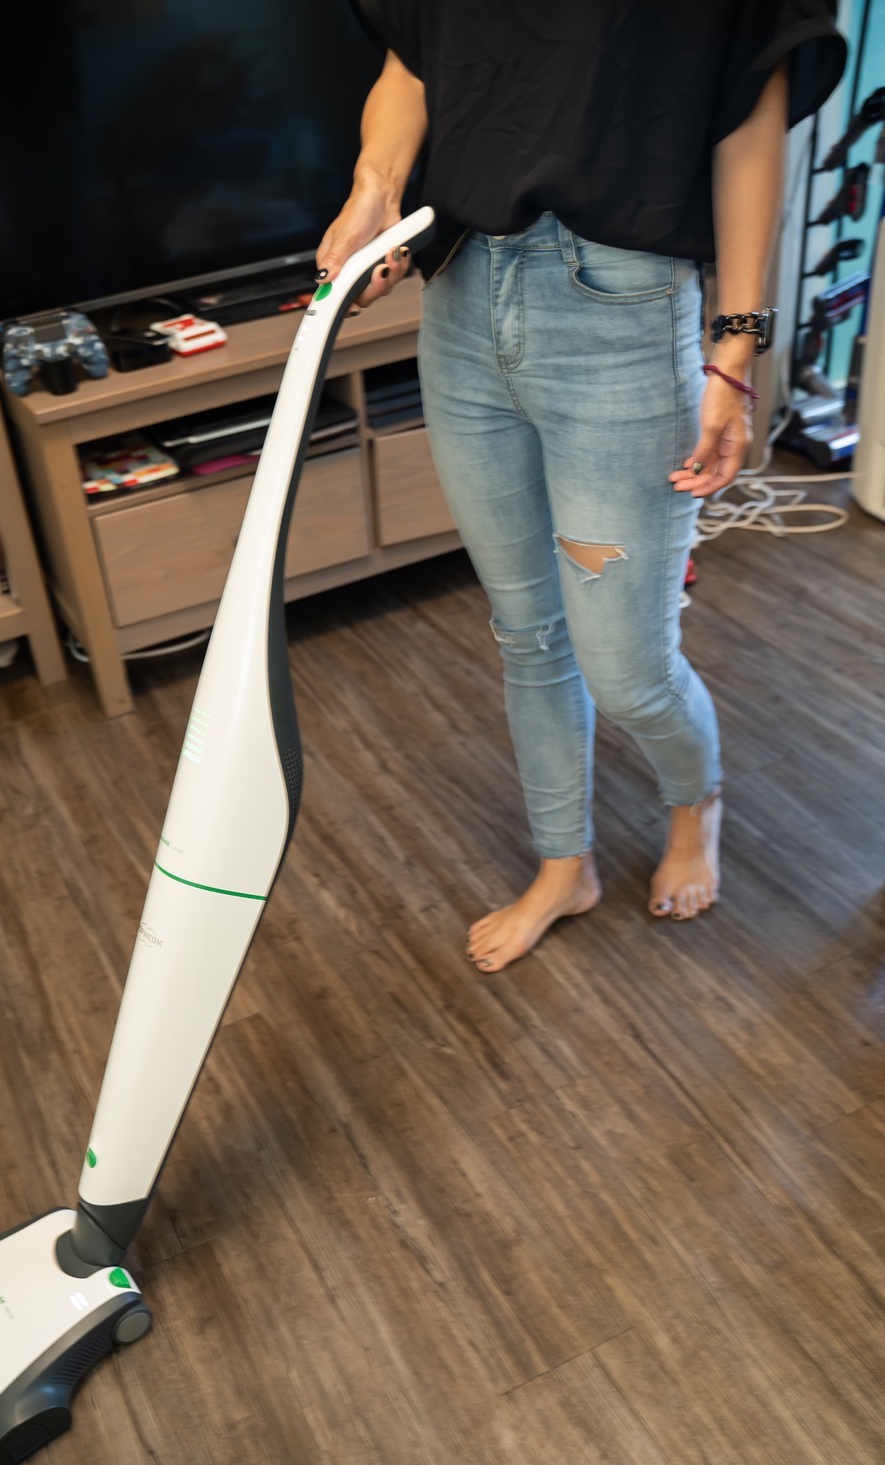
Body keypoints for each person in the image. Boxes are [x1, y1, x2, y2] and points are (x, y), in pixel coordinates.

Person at [315, 1, 846, 973]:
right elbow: (412, 58)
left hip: (621, 314)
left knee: (626, 667)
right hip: (460, 298)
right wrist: (372, 190)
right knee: (527, 634)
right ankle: (564, 867)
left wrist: (733, 350)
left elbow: (747, 110)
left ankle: (695, 801)